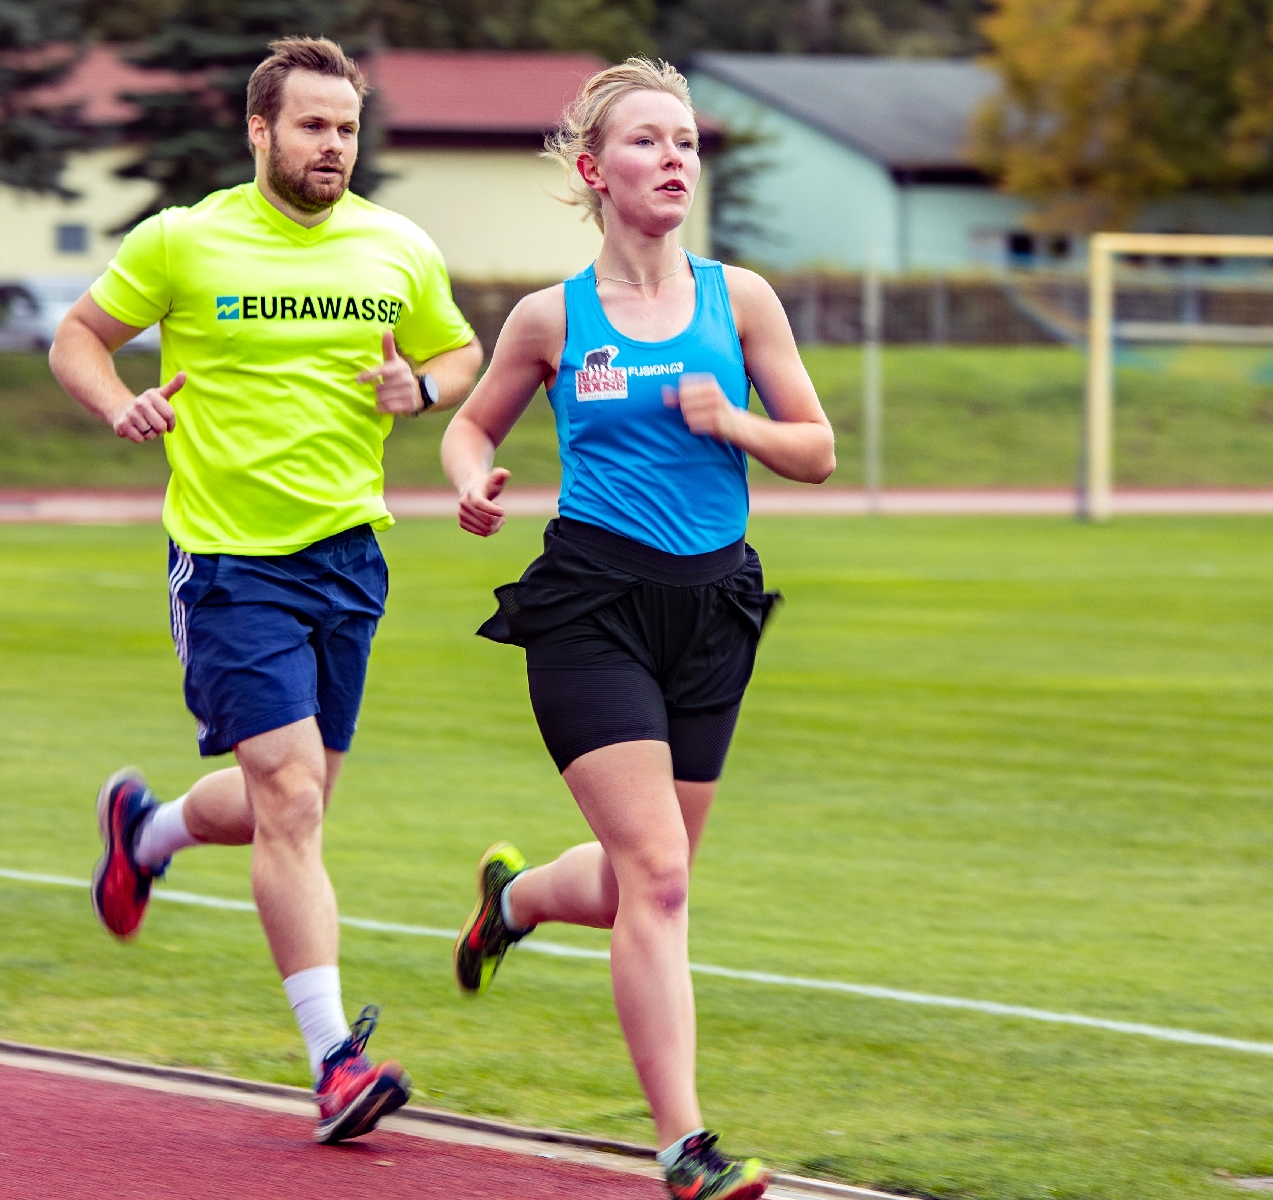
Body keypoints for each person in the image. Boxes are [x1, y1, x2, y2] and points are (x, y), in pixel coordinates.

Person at [48, 37, 482, 1145]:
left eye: (345, 128)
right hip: (231, 561)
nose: (333, 146)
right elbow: (80, 337)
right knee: (290, 798)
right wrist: (119, 406)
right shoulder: (185, 241)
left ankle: (145, 833)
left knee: (295, 799)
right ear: (260, 129)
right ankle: (335, 1060)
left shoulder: (395, 246)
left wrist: (419, 387)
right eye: (312, 126)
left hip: (349, 558)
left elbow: (462, 353)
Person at [441, 58, 834, 1200]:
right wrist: (474, 483)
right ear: (593, 170)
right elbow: (470, 428)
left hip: (714, 610)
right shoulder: (547, 317)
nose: (675, 159)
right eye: (648, 141)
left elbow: (814, 450)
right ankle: (684, 1149)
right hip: (591, 609)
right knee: (658, 877)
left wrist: (738, 424)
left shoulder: (740, 300)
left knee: (633, 887)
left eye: (688, 143)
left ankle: (510, 902)